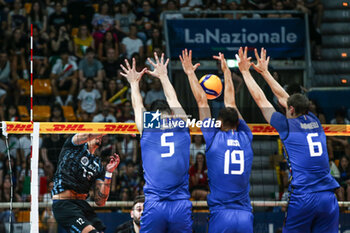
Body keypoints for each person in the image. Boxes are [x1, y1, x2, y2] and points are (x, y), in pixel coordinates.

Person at [238, 47, 339, 233]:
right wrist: (266, 73)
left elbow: (261, 100)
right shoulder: (314, 121)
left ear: (291, 110)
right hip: (328, 197)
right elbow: (287, 99)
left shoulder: (286, 125)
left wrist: (245, 72)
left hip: (304, 197)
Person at [180, 49, 254, 233]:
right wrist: (227, 71)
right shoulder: (246, 136)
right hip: (245, 214)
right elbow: (232, 104)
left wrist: (190, 73)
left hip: (221, 214)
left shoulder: (213, 137)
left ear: (219, 123)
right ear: (238, 122)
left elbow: (202, 102)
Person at [120, 53, 192, 232]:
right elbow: (173, 100)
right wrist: (163, 76)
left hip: (155, 203)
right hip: (180, 203)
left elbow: (137, 106)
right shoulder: (181, 123)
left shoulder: (148, 126)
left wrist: (134, 83)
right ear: (171, 114)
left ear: (152, 115)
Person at [52, 133, 120, 233]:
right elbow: (88, 134)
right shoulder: (73, 145)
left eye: (101, 136)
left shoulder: (98, 165)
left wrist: (109, 173)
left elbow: (100, 202)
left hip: (82, 205)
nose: (100, 136)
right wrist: (113, 128)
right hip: (64, 204)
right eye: (97, 133)